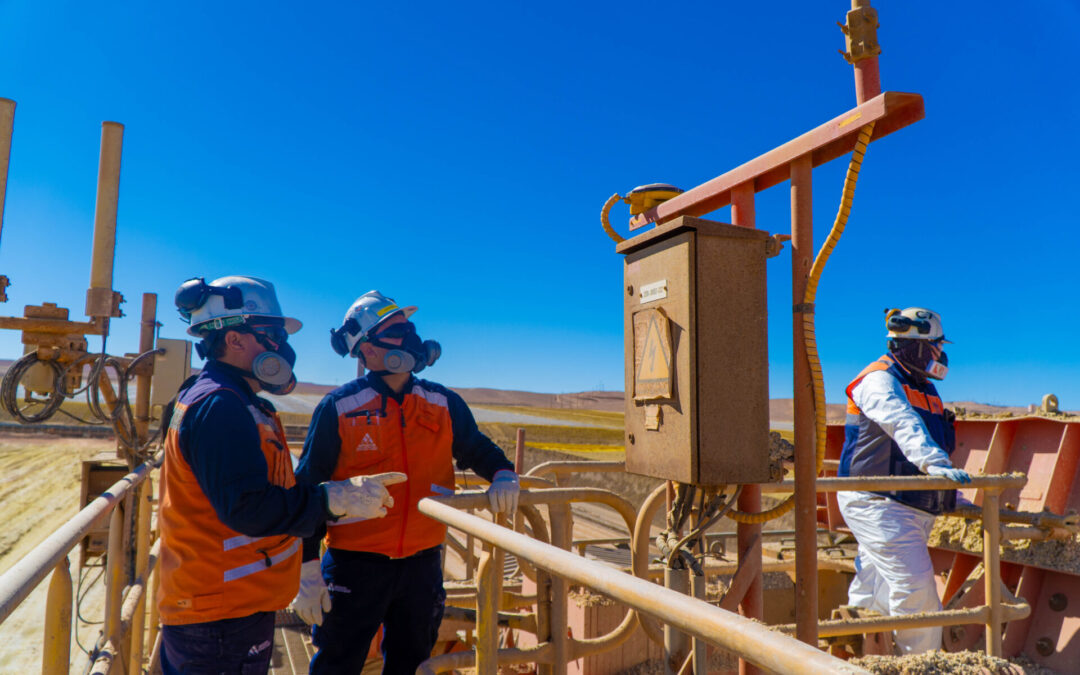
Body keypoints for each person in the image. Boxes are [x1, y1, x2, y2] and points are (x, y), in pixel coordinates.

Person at [158, 276, 406, 674]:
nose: (282, 347)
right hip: (218, 614)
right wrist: (331, 500)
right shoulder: (219, 406)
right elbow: (248, 508)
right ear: (235, 340)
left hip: (231, 604)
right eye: (271, 334)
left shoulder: (236, 401)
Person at [292, 290, 520, 674]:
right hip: (353, 566)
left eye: (410, 329)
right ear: (367, 350)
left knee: (412, 664)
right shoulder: (339, 408)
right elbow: (308, 490)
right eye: (397, 331)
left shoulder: (442, 402)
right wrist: (308, 566)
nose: (411, 339)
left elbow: (477, 449)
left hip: (422, 564)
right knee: (337, 663)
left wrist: (503, 473)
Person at [837, 307, 973, 655]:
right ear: (915, 346)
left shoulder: (922, 386)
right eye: (935, 346)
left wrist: (951, 495)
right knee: (916, 591)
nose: (939, 354)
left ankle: (864, 654)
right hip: (879, 502)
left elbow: (926, 441)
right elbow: (902, 424)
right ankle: (920, 664)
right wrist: (934, 465)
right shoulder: (880, 380)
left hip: (908, 501)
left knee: (875, 586)